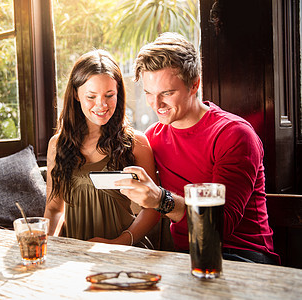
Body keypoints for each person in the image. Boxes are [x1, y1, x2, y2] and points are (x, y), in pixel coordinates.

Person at [116, 32, 280, 264]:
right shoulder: (153, 137)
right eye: (149, 94)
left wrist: (161, 199)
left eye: (167, 93)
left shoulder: (234, 134)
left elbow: (220, 226)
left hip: (242, 256)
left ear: (195, 85)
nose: (156, 104)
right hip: (185, 257)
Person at [44, 49, 160, 247]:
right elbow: (55, 209)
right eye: (91, 96)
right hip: (74, 256)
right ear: (76, 94)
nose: (101, 105)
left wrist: (119, 243)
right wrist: (49, 247)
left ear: (119, 94)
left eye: (109, 95)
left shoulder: (136, 144)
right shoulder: (57, 145)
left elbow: (153, 209)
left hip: (125, 252)